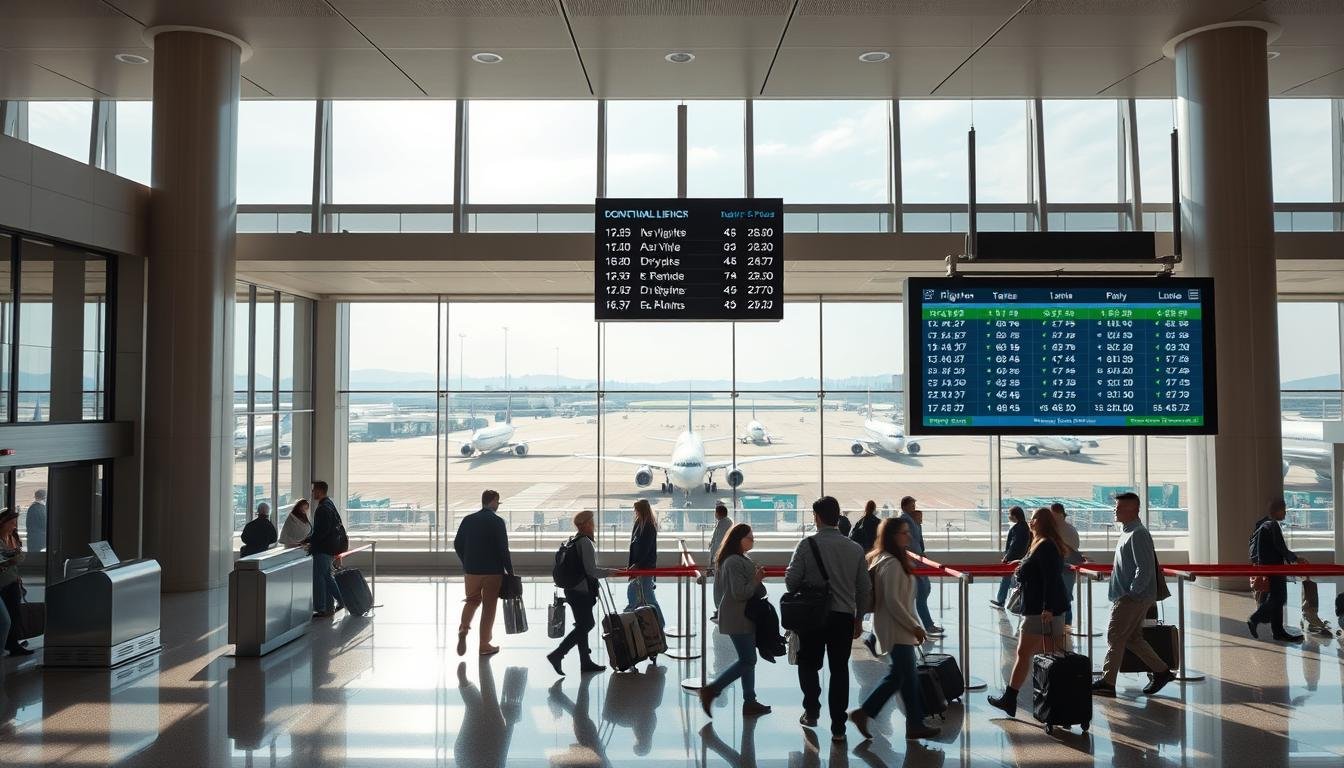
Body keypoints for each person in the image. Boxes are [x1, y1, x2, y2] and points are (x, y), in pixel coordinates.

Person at [786, 496, 870, 742]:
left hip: (812, 616)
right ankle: (838, 727)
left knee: (808, 663)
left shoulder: (806, 545)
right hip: (843, 617)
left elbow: (791, 583)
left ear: (818, 518)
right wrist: (859, 619)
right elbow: (864, 588)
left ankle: (811, 711)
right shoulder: (854, 549)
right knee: (839, 670)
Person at [848, 517, 941, 742]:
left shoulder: (888, 560)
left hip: (895, 628)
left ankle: (910, 722)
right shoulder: (891, 564)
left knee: (904, 678)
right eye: (903, 533)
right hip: (896, 630)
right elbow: (892, 601)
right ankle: (872, 713)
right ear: (891, 536)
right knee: (901, 677)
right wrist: (914, 626)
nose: (908, 536)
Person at [986, 507, 1072, 717]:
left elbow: (1051, 579)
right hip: (1043, 609)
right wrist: (1022, 564)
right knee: (1051, 656)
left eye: (1034, 520)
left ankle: (1011, 698)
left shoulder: (1045, 546)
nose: (1030, 523)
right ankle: (1060, 702)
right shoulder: (1042, 545)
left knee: (1025, 654)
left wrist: (1047, 608)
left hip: (1039, 611)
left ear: (1042, 522)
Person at [1092, 492, 1176, 698]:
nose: (1115, 510)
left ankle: (1107, 682)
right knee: (1131, 638)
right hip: (1131, 596)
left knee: (1115, 634)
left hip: (1132, 598)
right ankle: (1162, 671)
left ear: (1133, 510)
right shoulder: (1128, 532)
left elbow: (1144, 568)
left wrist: (1132, 593)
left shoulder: (1138, 533)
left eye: (1119, 507)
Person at [698, 523, 772, 718]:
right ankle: (713, 690)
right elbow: (739, 593)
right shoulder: (733, 562)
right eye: (750, 537)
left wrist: (756, 578)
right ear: (739, 539)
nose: (753, 540)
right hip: (738, 616)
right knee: (748, 660)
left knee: (746, 660)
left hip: (742, 616)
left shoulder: (738, 559)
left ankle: (750, 701)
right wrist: (756, 579)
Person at [547, 510, 610, 675]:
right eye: (592, 522)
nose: (594, 525)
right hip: (581, 590)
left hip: (571, 589)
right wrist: (612, 572)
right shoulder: (585, 543)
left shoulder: (573, 540)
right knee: (588, 624)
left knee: (582, 624)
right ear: (587, 524)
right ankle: (558, 654)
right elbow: (591, 570)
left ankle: (585, 661)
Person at [454, 489, 513, 657]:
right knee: (489, 607)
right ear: (493, 501)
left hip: (471, 570)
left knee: (471, 601)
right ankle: (484, 644)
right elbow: (503, 549)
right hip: (492, 571)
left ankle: (464, 628)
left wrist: (466, 562)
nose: (498, 506)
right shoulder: (497, 522)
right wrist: (510, 570)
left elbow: (457, 543)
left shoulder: (468, 520)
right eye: (497, 502)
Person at [1248, 497, 1307, 642]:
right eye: (1284, 510)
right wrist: (1295, 558)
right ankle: (1255, 619)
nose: (1285, 513)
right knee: (1278, 598)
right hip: (1274, 568)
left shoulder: (1262, 523)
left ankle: (1278, 632)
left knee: (1277, 599)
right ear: (1278, 510)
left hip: (1267, 567)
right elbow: (1280, 547)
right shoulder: (1272, 525)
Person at [302, 481, 346, 620]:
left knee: (320, 578)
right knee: (327, 577)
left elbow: (321, 531)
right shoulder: (329, 504)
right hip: (331, 547)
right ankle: (330, 606)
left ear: (320, 491)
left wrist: (309, 541)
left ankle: (322, 607)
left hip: (323, 549)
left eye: (314, 490)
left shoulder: (322, 509)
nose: (312, 493)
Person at [900, 496, 943, 636]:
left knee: (922, 591)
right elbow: (911, 542)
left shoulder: (911, 520)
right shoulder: (906, 520)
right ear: (905, 506)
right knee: (922, 592)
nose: (914, 507)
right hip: (914, 561)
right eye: (912, 505)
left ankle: (924, 624)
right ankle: (927, 625)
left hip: (917, 559)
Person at [625, 499, 664, 628]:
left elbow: (646, 549)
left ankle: (659, 623)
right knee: (639, 593)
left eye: (636, 510)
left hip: (645, 567)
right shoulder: (639, 523)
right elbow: (633, 546)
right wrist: (631, 565)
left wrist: (637, 565)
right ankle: (632, 618)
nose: (635, 512)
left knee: (647, 596)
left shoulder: (649, 526)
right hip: (638, 566)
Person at [0, 510, 33, 656]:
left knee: (14, 614)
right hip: (2, 582)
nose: (14, 526)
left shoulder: (12, 537)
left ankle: (12, 644)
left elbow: (15, 558)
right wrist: (12, 560)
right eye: (11, 523)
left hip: (12, 580)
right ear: (3, 523)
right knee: (5, 618)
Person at [1051, 502, 1084, 627]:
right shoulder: (1070, 529)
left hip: (1065, 566)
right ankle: (1065, 623)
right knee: (1066, 595)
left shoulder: (1059, 530)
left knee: (1065, 596)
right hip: (1067, 566)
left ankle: (1065, 623)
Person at [991, 506, 1029, 609]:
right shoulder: (1026, 527)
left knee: (1006, 579)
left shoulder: (1017, 528)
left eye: (1010, 514)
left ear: (1015, 516)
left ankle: (1001, 600)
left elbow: (1013, 545)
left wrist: (1007, 557)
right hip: (1021, 557)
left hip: (1013, 558)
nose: (1009, 517)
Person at [708, 503, 732, 621]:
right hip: (721, 559)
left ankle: (720, 609)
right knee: (721, 585)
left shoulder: (724, 524)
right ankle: (721, 608)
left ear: (719, 513)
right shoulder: (725, 523)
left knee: (719, 586)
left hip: (720, 559)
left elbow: (719, 542)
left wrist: (714, 558)